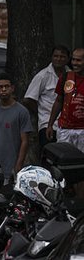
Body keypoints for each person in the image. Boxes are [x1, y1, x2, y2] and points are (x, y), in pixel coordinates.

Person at [47, 47, 84, 197]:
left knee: (82, 169)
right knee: (61, 167)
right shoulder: (65, 77)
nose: (74, 63)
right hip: (65, 129)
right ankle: (63, 201)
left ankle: (81, 204)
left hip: (82, 130)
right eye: (73, 59)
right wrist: (50, 124)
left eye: (78, 60)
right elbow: (59, 100)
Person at [0, 73, 33, 183]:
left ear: (12, 88)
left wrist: (18, 164)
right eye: (0, 87)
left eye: (6, 86)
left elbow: (25, 141)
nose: (3, 90)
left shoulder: (22, 112)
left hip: (10, 166)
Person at [23, 46, 69, 148]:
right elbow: (28, 99)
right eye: (56, 56)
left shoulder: (71, 75)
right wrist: (41, 111)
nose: (58, 59)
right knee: (49, 157)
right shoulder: (43, 76)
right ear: (51, 57)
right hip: (47, 124)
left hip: (68, 126)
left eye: (62, 56)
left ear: (67, 59)